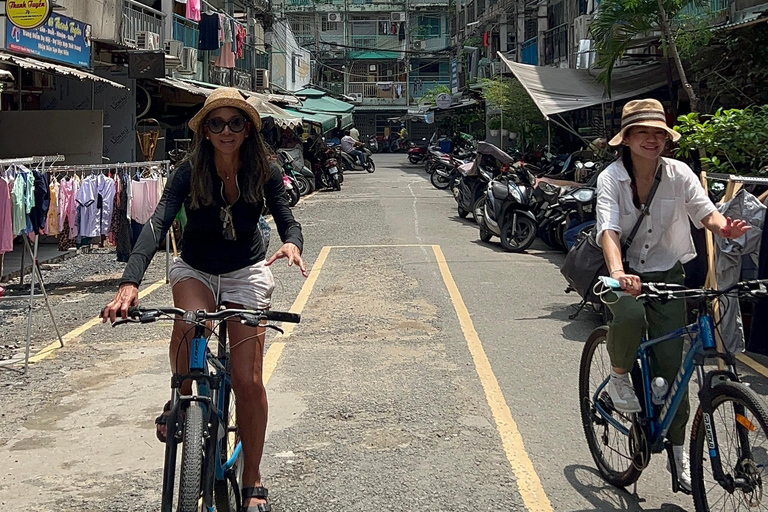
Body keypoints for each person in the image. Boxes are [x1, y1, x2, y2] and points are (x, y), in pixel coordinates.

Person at [101, 88, 307, 512]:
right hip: (195, 267)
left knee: (248, 381)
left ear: (248, 129)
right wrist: (129, 283)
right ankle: (182, 390)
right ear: (206, 131)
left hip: (246, 270)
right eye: (217, 123)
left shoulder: (264, 170)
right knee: (190, 319)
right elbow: (158, 222)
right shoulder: (189, 170)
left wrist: (292, 243)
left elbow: (287, 217)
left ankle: (252, 480)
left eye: (235, 123)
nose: (226, 131)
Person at [596, 99, 750, 492]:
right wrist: (618, 272)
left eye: (659, 133)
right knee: (628, 319)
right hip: (624, 275)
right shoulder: (612, 178)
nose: (652, 139)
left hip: (669, 273)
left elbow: (706, 212)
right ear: (627, 139)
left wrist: (724, 228)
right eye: (643, 132)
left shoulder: (680, 173)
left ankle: (679, 455)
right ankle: (617, 378)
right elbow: (608, 230)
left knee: (673, 370)